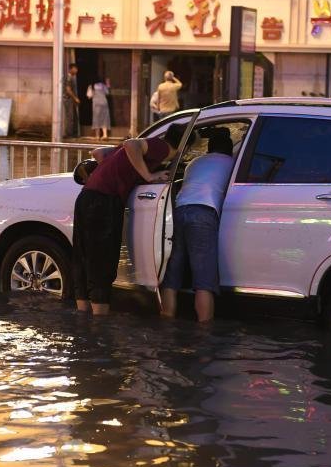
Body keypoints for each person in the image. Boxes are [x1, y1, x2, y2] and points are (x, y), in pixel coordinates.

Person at [72, 123, 190, 316]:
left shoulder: (143, 150)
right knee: (103, 261)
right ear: (183, 145)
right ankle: (99, 322)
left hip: (87, 196)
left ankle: (84, 316)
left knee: (83, 258)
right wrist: (149, 176)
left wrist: (116, 172)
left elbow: (98, 153)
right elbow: (131, 145)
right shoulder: (163, 148)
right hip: (105, 201)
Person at [160, 128, 235, 323]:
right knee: (204, 277)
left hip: (180, 210)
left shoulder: (194, 163)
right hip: (204, 213)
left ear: (209, 149)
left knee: (173, 269)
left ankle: (166, 318)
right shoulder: (232, 163)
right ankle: (204, 332)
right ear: (228, 150)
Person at [63, 63, 81, 138]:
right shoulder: (68, 77)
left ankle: (74, 133)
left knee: (74, 116)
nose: (76, 70)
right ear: (71, 69)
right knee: (70, 117)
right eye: (75, 69)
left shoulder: (72, 77)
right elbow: (68, 90)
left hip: (71, 100)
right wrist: (75, 98)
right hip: (69, 99)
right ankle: (69, 134)